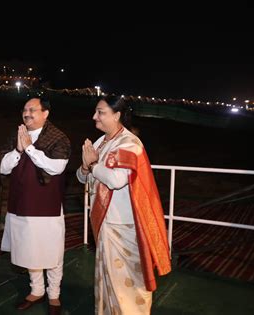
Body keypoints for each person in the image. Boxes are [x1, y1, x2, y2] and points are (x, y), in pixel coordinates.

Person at [76, 95, 171, 315]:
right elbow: (84, 178)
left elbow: (116, 180)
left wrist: (92, 166)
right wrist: (85, 167)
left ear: (117, 115)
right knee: (107, 279)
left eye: (100, 112)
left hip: (124, 225)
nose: (94, 117)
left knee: (128, 285)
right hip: (105, 224)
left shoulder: (130, 144)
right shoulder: (101, 142)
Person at [0, 97, 71, 315]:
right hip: (21, 204)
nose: (27, 113)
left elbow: (56, 167)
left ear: (46, 113)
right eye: (24, 110)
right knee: (29, 250)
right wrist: (18, 150)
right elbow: (1, 165)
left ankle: (54, 295)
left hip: (47, 207)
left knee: (51, 252)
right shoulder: (17, 134)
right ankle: (37, 290)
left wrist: (29, 148)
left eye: (32, 109)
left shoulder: (58, 137)